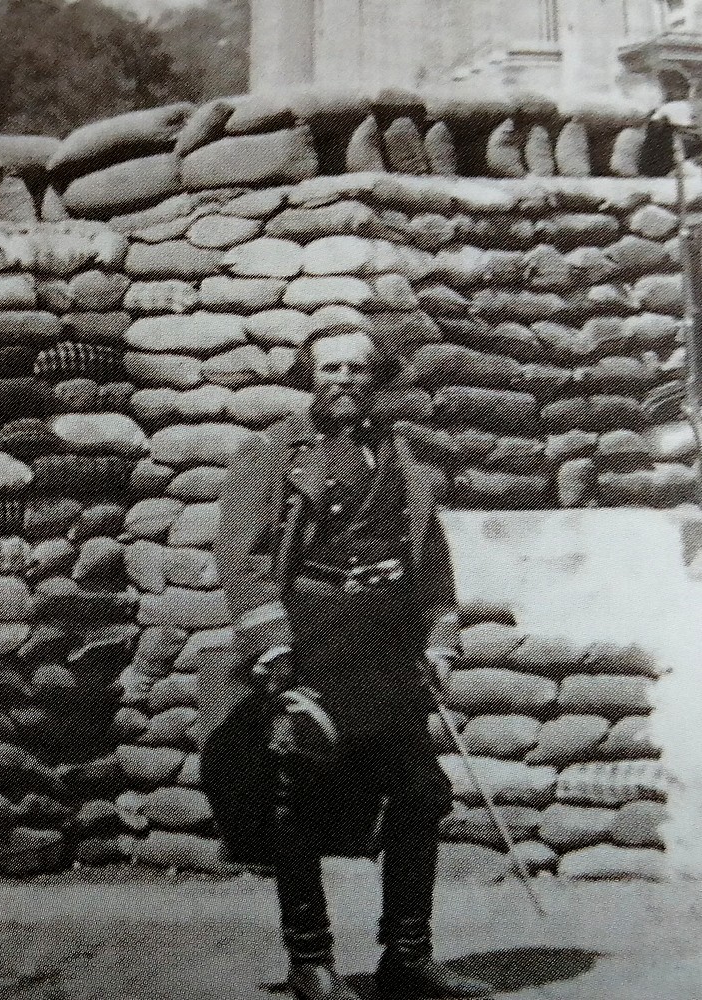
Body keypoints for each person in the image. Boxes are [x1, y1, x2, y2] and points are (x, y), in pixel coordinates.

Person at [201, 325, 495, 1000]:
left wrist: (439, 640)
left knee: (419, 795)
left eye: (357, 369)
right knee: (297, 801)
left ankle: (407, 957)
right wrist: (269, 640)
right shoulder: (273, 452)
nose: (343, 378)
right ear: (309, 374)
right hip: (310, 643)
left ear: (375, 378)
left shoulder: (400, 456)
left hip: (386, 650)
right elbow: (240, 556)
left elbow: (431, 559)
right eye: (330, 367)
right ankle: (310, 961)